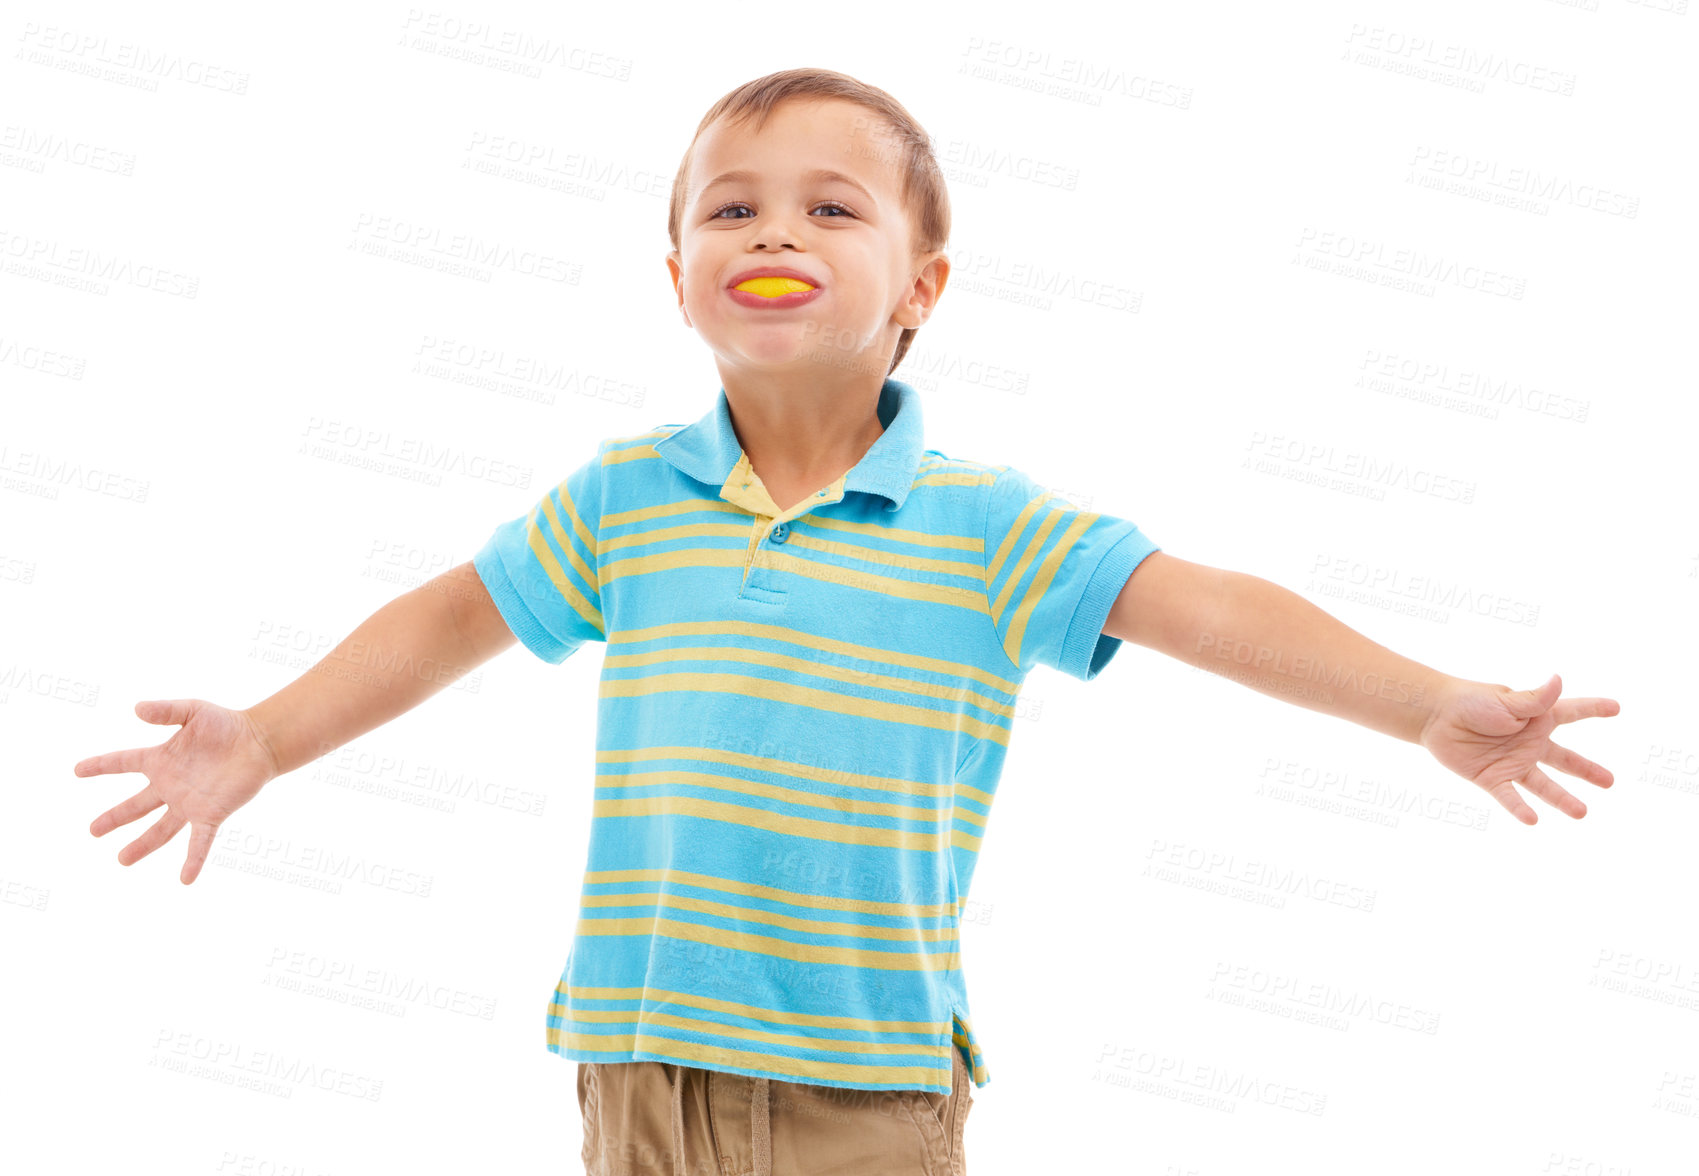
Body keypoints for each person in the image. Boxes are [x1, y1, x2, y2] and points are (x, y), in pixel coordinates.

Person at [74, 67, 1621, 1176]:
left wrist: (1423, 702)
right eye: (730, 209)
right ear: (677, 278)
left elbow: (1210, 606)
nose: (772, 231)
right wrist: (266, 740)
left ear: (920, 286)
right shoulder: (624, 499)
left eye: (830, 206)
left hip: (861, 1098)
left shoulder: (988, 525)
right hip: (635, 1073)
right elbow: (445, 619)